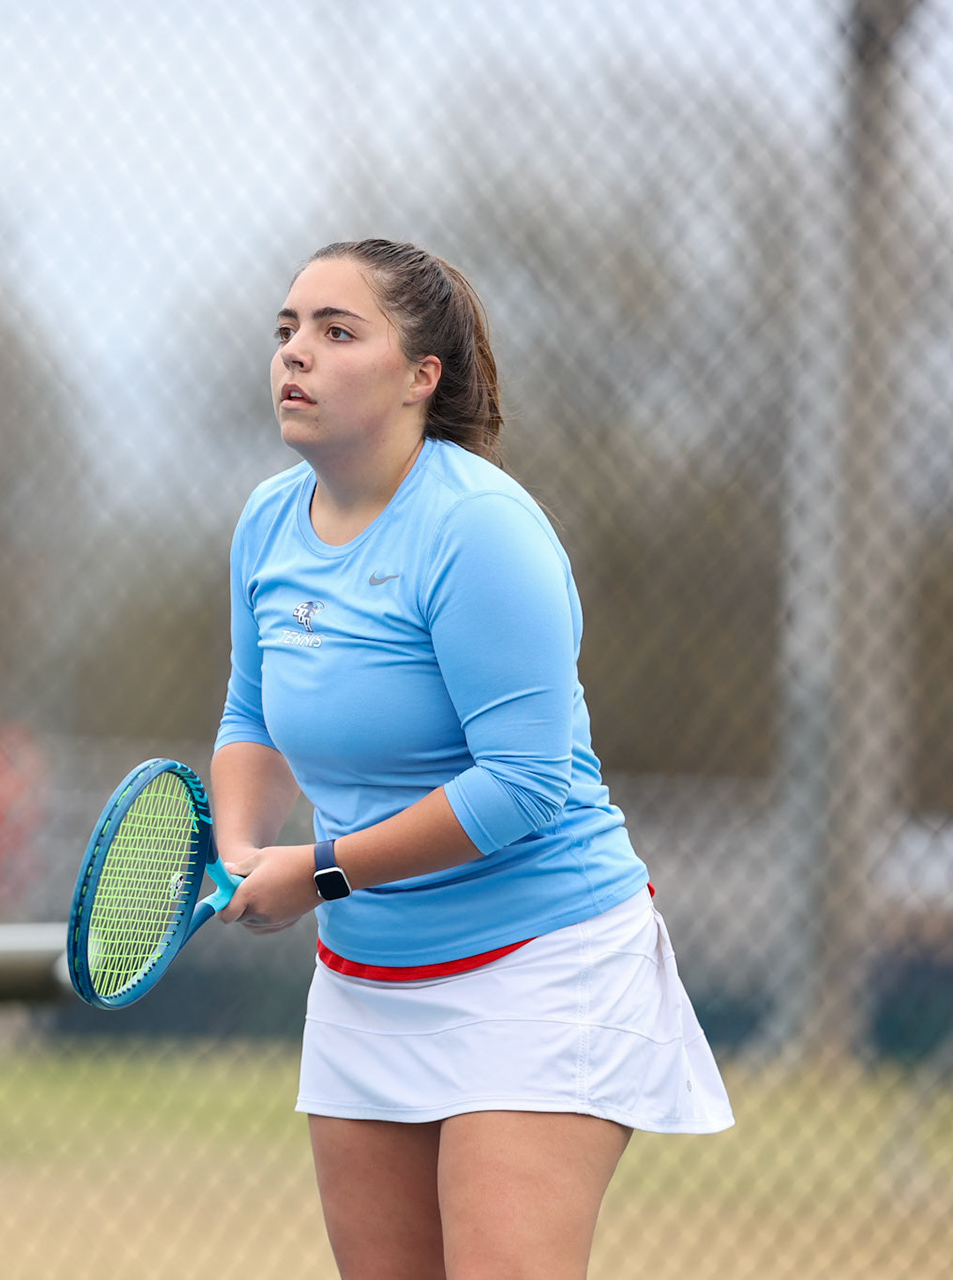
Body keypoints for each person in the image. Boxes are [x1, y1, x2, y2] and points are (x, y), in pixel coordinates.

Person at [212, 239, 733, 1280]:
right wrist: (238, 851)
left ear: (421, 377)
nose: (295, 353)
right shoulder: (268, 521)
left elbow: (524, 783)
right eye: (286, 330)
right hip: (368, 976)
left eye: (336, 329)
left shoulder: (481, 530)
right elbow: (251, 715)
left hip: (543, 965)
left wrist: (315, 869)